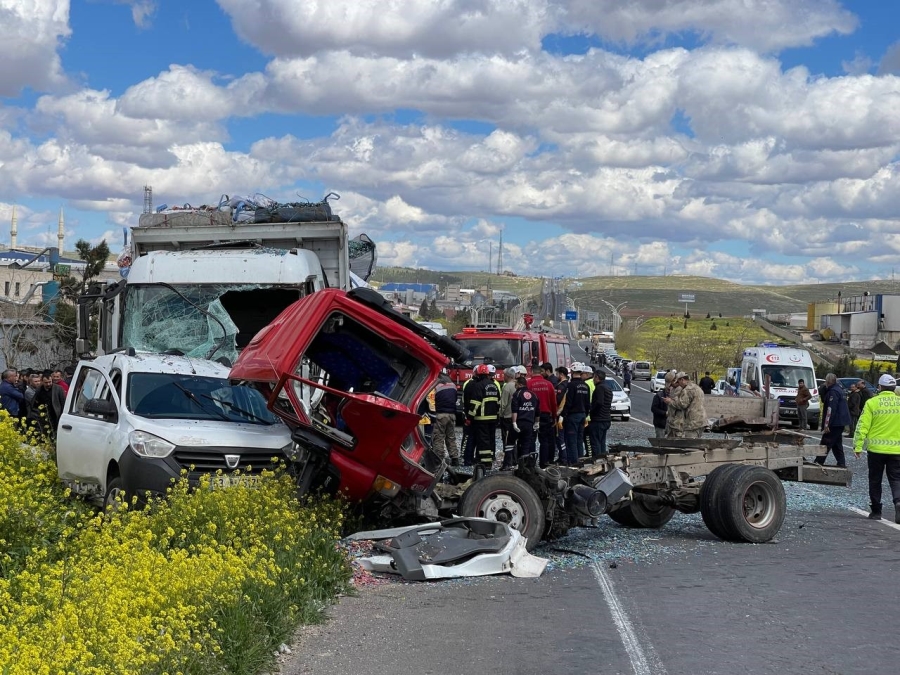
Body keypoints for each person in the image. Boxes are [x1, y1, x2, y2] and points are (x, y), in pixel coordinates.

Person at [853, 373, 900, 522]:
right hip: (897, 450)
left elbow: (862, 426)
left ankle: (876, 511)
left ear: (879, 387)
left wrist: (858, 446)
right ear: (894, 388)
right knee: (896, 479)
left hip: (876, 450)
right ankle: (898, 502)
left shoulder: (872, 403)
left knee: (875, 479)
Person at [465, 364, 500, 468]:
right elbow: (498, 402)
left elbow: (475, 403)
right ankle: (489, 458)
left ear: (479, 374)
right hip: (493, 418)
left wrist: (469, 417)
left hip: (481, 418)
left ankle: (485, 462)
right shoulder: (494, 385)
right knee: (490, 439)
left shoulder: (478, 386)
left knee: (483, 440)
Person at [814, 373, 850, 468]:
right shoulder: (840, 390)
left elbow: (830, 409)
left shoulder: (832, 392)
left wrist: (826, 425)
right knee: (836, 444)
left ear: (828, 381)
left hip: (834, 422)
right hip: (840, 421)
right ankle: (841, 462)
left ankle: (818, 461)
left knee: (826, 442)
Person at [528, 367, 558, 468]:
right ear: (541, 373)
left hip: (531, 414)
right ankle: (544, 462)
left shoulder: (529, 384)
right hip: (546, 415)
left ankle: (531, 462)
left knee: (531, 439)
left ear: (532, 372)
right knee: (544, 440)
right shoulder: (548, 384)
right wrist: (554, 417)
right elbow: (553, 403)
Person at [562, 364, 590, 465]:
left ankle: (573, 462)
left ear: (572, 372)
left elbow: (568, 402)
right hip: (583, 415)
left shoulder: (571, 385)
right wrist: (585, 414)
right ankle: (580, 460)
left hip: (572, 416)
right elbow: (587, 403)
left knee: (571, 440)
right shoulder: (585, 386)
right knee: (579, 439)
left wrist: (563, 415)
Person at [664, 372, 707, 438]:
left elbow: (682, 404)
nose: (678, 384)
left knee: (689, 444)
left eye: (678, 381)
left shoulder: (687, 389)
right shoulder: (696, 387)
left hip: (693, 422)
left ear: (682, 380)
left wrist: (670, 402)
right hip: (700, 420)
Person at [509, 375, 538, 468]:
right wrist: (537, 422)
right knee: (526, 445)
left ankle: (507, 463)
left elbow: (515, 410)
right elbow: (537, 411)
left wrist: (514, 423)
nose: (515, 386)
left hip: (519, 423)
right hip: (529, 423)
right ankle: (523, 466)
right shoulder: (534, 395)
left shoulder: (517, 394)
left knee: (510, 443)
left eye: (516, 384)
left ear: (520, 384)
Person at [432, 370, 459, 466]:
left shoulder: (436, 385)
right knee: (451, 437)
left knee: (438, 438)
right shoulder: (453, 385)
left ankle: (438, 459)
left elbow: (432, 400)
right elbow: (455, 399)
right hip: (451, 415)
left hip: (440, 414)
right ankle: (455, 458)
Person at [588, 370, 613, 458]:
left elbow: (599, 402)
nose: (593, 380)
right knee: (602, 442)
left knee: (595, 442)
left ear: (597, 378)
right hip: (606, 418)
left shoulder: (599, 388)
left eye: (594, 377)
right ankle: (603, 460)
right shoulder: (607, 387)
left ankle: (598, 461)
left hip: (599, 419)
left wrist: (591, 410)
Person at [498, 367, 517, 463]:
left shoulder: (507, 387)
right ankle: (515, 459)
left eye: (504, 375)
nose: (503, 377)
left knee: (506, 439)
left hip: (507, 417)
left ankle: (508, 460)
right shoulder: (517, 385)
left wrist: (500, 414)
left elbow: (503, 403)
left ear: (508, 376)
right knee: (514, 439)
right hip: (516, 416)